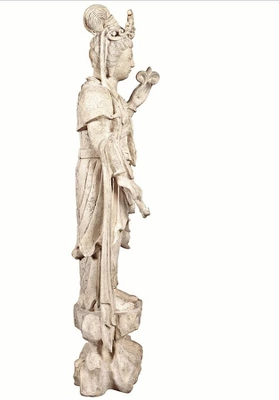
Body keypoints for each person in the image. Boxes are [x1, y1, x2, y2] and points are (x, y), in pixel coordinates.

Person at [72, 6, 159, 348]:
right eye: (128, 57)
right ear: (111, 61)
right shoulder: (93, 94)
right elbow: (103, 140)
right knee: (97, 238)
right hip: (99, 174)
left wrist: (140, 95)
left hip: (113, 172)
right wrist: (125, 179)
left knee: (113, 233)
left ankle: (109, 287)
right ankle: (94, 297)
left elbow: (123, 117)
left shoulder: (110, 95)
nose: (133, 64)